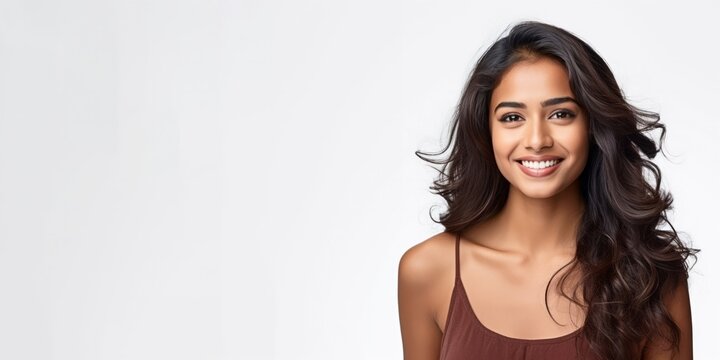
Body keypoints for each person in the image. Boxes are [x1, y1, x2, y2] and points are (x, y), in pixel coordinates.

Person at [397, 21, 699, 360]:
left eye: (560, 114)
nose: (537, 140)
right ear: (486, 131)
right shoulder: (427, 270)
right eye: (512, 117)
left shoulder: (650, 275)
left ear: (592, 125)